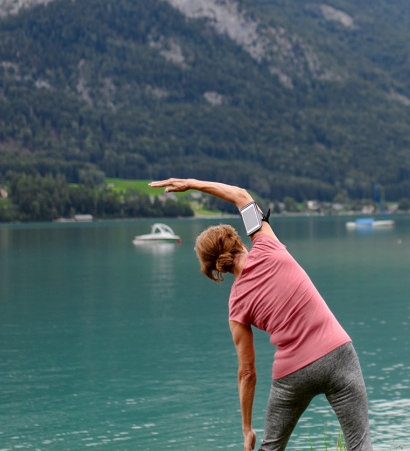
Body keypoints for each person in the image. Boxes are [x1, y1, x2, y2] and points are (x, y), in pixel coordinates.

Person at [148, 178, 371, 451]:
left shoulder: (236, 305)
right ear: (236, 239)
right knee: (360, 445)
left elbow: (248, 373)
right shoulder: (267, 245)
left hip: (293, 373)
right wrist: (192, 184)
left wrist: (246, 429)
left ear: (214, 269)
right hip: (338, 354)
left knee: (270, 448)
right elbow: (240, 195)